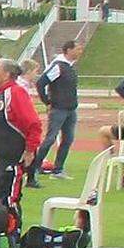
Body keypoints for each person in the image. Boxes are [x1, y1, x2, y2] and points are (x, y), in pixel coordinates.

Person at [0, 59, 42, 236]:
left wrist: (29, 150)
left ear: (6, 74)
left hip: (13, 156)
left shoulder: (16, 93)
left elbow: (33, 123)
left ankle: (12, 234)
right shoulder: (0, 93)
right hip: (1, 158)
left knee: (9, 198)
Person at [28, 40, 84, 188]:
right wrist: (47, 102)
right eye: (77, 49)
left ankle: (58, 169)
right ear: (68, 50)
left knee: (68, 139)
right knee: (50, 138)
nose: (80, 52)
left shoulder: (70, 67)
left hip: (71, 109)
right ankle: (34, 167)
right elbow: (41, 83)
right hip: (59, 109)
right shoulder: (58, 67)